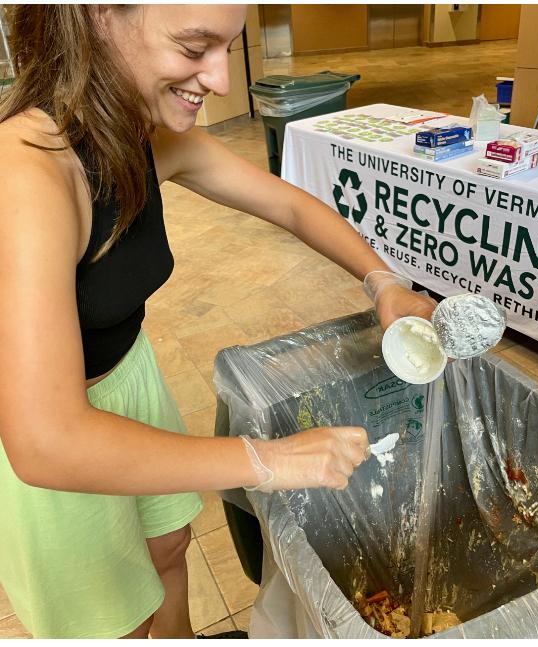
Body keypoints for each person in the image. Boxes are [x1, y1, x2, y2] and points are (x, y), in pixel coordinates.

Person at [0, 5, 436, 639]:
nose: (223, 81)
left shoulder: (141, 133)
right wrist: (266, 460)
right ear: (97, 16)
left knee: (168, 549)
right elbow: (47, 442)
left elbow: (288, 205)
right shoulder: (26, 174)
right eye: (194, 46)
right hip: (52, 430)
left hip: (129, 376)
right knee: (110, 616)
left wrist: (385, 281)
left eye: (228, 48)